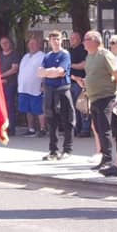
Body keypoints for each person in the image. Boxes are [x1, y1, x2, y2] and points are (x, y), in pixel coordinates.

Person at [83, 31, 117, 176]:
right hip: (93, 97)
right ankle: (103, 156)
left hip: (105, 96)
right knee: (98, 129)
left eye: (87, 39)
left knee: (105, 128)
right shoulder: (89, 57)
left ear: (95, 41)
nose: (84, 42)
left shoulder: (104, 55)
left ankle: (108, 159)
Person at [38, 30, 73, 160]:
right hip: (49, 90)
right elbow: (39, 72)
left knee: (66, 119)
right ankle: (53, 150)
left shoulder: (65, 54)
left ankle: (67, 149)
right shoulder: (47, 56)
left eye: (58, 39)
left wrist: (49, 72)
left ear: (62, 40)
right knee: (51, 120)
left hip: (62, 89)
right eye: (53, 39)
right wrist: (50, 72)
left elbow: (60, 71)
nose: (56, 42)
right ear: (49, 41)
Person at [16, 37, 45, 136]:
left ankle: (42, 129)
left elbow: (44, 71)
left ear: (39, 45)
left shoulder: (42, 56)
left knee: (39, 109)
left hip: (36, 88)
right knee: (27, 110)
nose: (32, 46)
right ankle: (31, 129)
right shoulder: (25, 56)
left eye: (34, 44)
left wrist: (43, 84)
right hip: (24, 88)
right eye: (30, 44)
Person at [0, 37, 20, 136]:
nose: (4, 44)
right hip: (0, 84)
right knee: (0, 107)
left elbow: (14, 69)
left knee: (9, 106)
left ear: (10, 43)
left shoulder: (15, 55)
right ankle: (1, 128)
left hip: (10, 84)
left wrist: (1, 76)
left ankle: (11, 128)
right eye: (2, 43)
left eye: (6, 42)